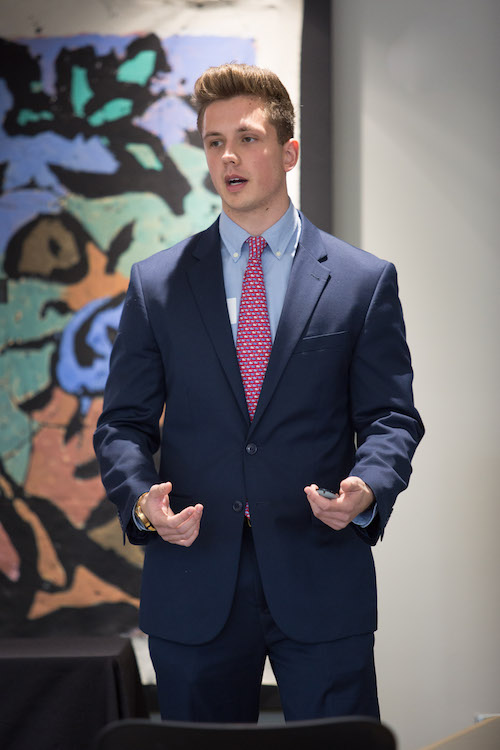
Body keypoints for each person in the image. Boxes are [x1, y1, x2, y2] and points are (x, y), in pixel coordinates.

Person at [94, 62, 424, 723]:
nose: (227, 157)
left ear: (288, 151)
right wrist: (140, 504)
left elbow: (391, 417)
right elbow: (123, 425)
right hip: (194, 575)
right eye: (213, 142)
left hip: (322, 571)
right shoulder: (155, 285)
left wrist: (367, 488)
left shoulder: (363, 282)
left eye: (245, 138)